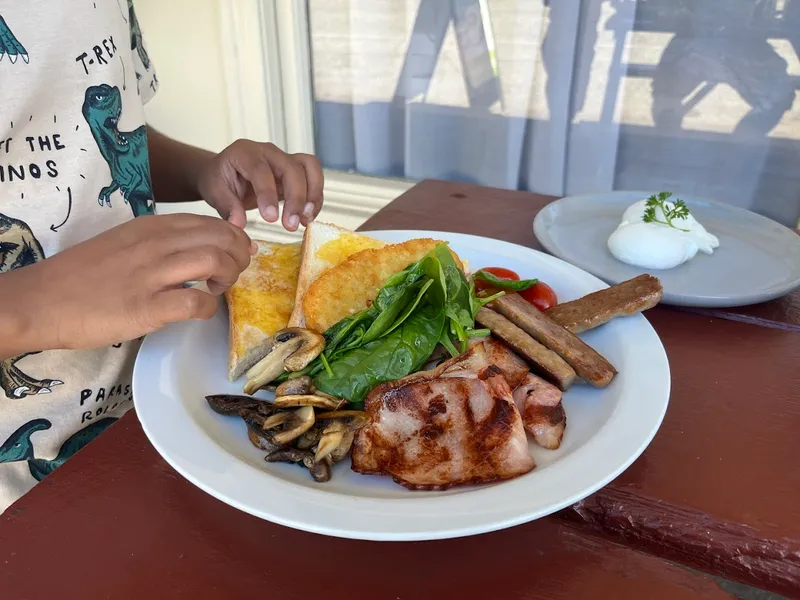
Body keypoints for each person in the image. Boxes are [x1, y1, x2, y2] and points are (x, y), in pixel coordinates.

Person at [0, 1, 324, 512]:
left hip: (154, 416)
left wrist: (203, 172)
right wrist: (31, 305)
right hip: (20, 497)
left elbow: (83, 132)